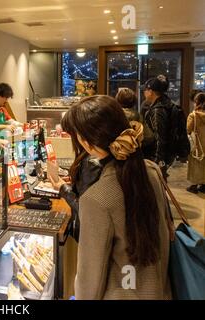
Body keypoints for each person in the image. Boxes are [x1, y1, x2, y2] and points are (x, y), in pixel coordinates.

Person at [48, 95, 171, 300]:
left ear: (87, 143)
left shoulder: (97, 199)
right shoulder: (151, 171)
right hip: (159, 288)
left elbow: (90, 279)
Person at [142, 75, 176, 179]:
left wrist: (158, 161)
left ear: (151, 91)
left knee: (155, 184)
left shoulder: (157, 111)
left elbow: (160, 137)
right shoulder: (166, 103)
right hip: (166, 154)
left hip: (156, 157)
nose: (144, 93)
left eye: (145, 90)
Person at [186, 92, 205, 193]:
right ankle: (203, 185)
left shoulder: (193, 115)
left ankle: (194, 185)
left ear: (197, 102)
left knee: (195, 163)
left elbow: (188, 129)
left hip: (197, 144)